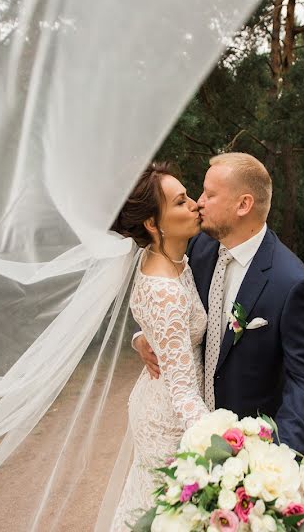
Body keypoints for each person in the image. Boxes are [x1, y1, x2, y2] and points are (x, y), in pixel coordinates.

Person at [133, 152, 304, 458]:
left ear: (243, 205)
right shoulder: (197, 247)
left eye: (210, 194)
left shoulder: (291, 284)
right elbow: (163, 293)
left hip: (245, 444)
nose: (198, 202)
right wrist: (144, 336)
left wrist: (280, 457)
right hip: (180, 431)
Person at [109, 162, 209, 530]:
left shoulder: (163, 256)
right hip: (170, 419)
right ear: (153, 223)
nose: (196, 204)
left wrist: (141, 338)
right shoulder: (165, 289)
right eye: (181, 202)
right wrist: (228, 444)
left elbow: (153, 322)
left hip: (154, 397)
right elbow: (183, 391)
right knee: (164, 515)